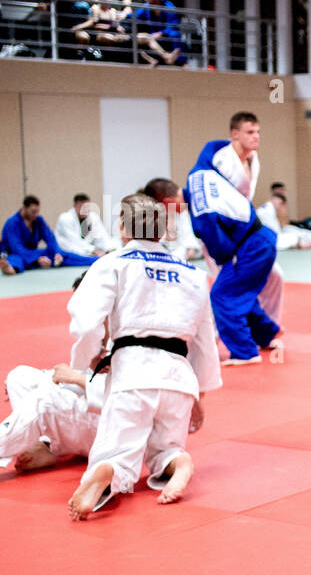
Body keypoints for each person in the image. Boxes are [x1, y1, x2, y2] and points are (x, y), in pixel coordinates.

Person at [66, 194, 221, 518]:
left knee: (116, 454)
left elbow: (86, 321)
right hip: (178, 379)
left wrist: (89, 359)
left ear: (123, 227)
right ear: (164, 230)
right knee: (166, 448)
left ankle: (106, 471)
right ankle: (179, 462)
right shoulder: (192, 274)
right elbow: (206, 340)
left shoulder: (112, 263)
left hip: (132, 375)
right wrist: (200, 393)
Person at [185, 140, 282, 365]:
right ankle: (266, 335)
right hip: (260, 240)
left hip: (251, 247)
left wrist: (226, 258)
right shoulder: (201, 172)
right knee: (240, 290)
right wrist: (234, 142)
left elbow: (212, 238)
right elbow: (210, 147)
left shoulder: (200, 208)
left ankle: (245, 352)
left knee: (223, 294)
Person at [0, 196, 97, 275]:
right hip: (17, 253)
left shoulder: (38, 220)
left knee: (63, 255)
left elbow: (50, 238)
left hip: (34, 253)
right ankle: (10, 268)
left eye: (37, 211)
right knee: (16, 259)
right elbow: (17, 247)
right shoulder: (12, 223)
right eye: (33, 212)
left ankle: (96, 261)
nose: (36, 214)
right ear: (24, 208)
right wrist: (37, 259)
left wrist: (57, 253)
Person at [134, 0, 186, 67]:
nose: (145, 0)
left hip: (166, 35)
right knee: (142, 38)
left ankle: (180, 62)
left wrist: (161, 33)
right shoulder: (147, 7)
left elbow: (173, 25)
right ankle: (156, 59)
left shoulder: (170, 8)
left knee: (175, 34)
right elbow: (134, 15)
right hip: (152, 35)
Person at [55, 194, 116, 258]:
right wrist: (93, 250)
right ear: (75, 206)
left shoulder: (93, 217)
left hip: (87, 252)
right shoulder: (65, 218)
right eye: (81, 207)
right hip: (65, 253)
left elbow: (101, 236)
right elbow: (74, 240)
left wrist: (109, 249)